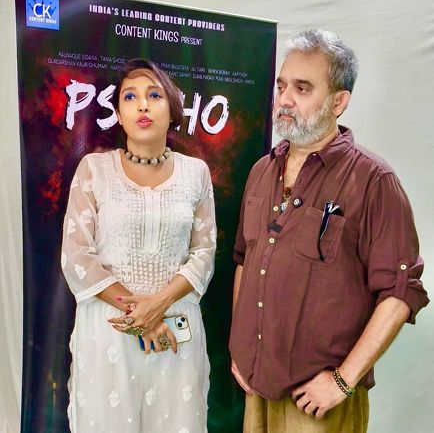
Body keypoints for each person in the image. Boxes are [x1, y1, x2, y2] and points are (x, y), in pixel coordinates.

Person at [229, 29, 429, 433]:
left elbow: (400, 292)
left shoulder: (373, 181)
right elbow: (244, 261)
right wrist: (240, 347)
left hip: (317, 405)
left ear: (339, 101)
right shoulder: (261, 171)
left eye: (302, 89)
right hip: (255, 388)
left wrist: (342, 381)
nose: (285, 99)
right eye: (282, 86)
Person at [61, 58, 216, 433]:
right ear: (118, 113)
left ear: (173, 109)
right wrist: (140, 316)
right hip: (110, 331)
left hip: (174, 333)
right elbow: (76, 256)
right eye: (130, 97)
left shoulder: (196, 173)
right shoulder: (94, 170)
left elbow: (204, 253)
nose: (142, 105)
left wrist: (159, 304)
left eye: (154, 95)